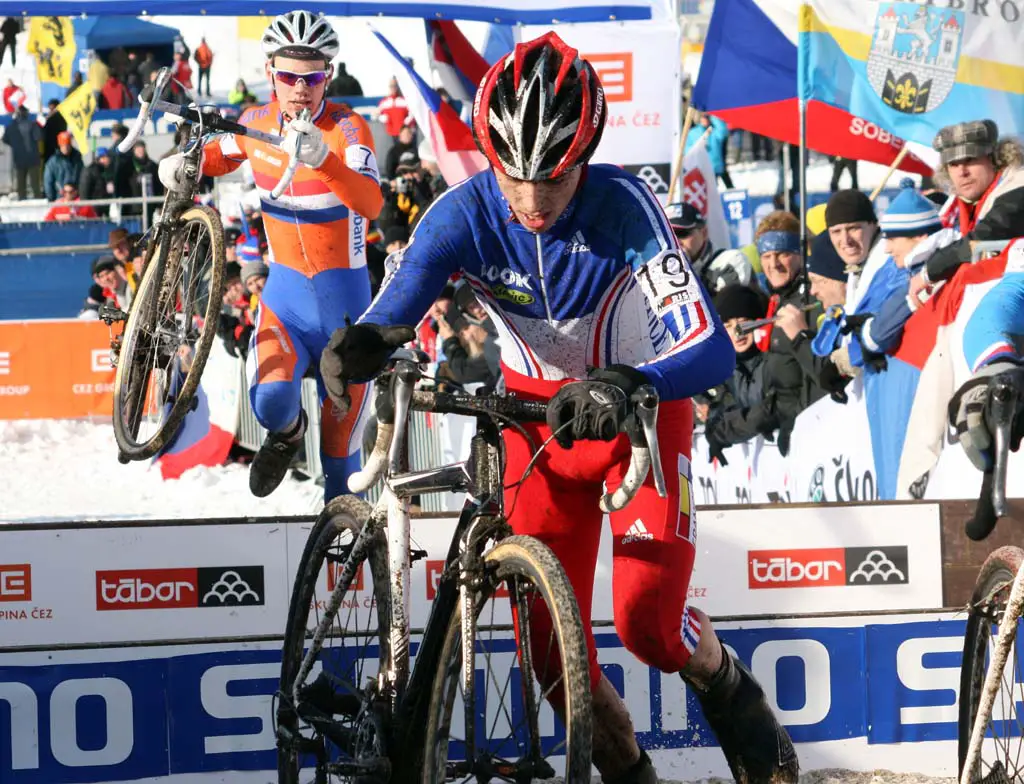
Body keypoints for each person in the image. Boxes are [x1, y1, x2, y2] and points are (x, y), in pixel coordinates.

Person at [319, 31, 797, 784]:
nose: (534, 201)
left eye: (556, 177)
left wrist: (629, 382)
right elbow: (395, 309)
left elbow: (710, 350)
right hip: (530, 427)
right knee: (550, 659)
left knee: (648, 628)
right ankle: (631, 773)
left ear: (585, 156)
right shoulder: (462, 213)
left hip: (634, 412)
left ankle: (727, 685)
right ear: (490, 157)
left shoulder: (625, 207)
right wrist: (359, 347)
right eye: (515, 179)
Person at [157, 10, 384, 502]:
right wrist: (184, 163)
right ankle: (288, 436)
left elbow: (370, 203)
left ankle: (344, 568)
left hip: (348, 317)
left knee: (341, 459)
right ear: (270, 74)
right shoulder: (256, 122)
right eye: (288, 76)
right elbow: (219, 154)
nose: (300, 87)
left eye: (313, 76)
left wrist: (322, 161)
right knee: (270, 403)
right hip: (285, 302)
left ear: (327, 75)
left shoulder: (348, 128)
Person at [909, 119, 1024, 301]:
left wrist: (929, 272)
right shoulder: (970, 203)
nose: (962, 172)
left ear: (994, 158)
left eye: (970, 160)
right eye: (953, 164)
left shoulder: (1017, 187)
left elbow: (984, 236)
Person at [2, 105, 42, 199]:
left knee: (21, 185)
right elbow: (39, 137)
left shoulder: (11, 126)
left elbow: (5, 139)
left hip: (18, 158)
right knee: (35, 185)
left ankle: (22, 202)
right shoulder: (32, 124)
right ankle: (38, 202)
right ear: (26, 113)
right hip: (33, 158)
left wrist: (15, 145)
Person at [685, 111, 732, 189]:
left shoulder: (714, 131)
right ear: (699, 118)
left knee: (714, 191)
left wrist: (713, 115)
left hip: (715, 168)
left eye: (707, 117)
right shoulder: (693, 133)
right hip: (699, 168)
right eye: (704, 117)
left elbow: (723, 131)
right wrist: (698, 149)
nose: (706, 119)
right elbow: (686, 150)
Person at [43, 131, 84, 202]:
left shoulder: (77, 159)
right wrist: (51, 198)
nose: (66, 148)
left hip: (76, 197)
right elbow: (48, 181)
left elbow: (83, 177)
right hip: (60, 198)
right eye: (63, 145)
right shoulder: (53, 162)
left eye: (68, 145)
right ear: (60, 146)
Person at [41, 98, 67, 164]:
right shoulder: (49, 117)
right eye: (50, 108)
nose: (51, 110)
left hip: (57, 145)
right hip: (50, 145)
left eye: (52, 108)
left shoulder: (59, 117)